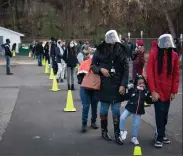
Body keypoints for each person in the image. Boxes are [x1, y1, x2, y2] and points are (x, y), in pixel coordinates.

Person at [91, 30, 129, 145]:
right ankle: (104, 131)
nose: (113, 43)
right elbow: (93, 65)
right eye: (111, 41)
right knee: (103, 109)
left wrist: (123, 84)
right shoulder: (100, 50)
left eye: (114, 41)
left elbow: (126, 69)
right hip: (104, 84)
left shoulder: (121, 49)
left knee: (116, 110)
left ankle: (117, 134)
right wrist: (101, 70)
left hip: (117, 84)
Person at [146, 34, 180, 148]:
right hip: (157, 90)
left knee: (165, 114)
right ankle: (159, 137)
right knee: (159, 113)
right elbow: (149, 73)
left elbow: (176, 75)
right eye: (164, 44)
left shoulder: (174, 56)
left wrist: (174, 91)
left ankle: (162, 133)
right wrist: (153, 91)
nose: (166, 47)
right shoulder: (154, 54)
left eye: (168, 44)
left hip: (168, 90)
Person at [120, 75, 152, 145]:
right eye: (139, 83)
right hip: (130, 107)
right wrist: (123, 94)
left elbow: (148, 100)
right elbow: (127, 96)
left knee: (136, 124)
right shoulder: (133, 89)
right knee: (122, 117)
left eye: (142, 83)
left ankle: (134, 137)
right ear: (136, 83)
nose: (141, 84)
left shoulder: (145, 91)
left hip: (139, 110)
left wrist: (152, 98)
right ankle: (121, 132)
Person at [77, 49, 98, 132]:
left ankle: (91, 122)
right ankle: (85, 123)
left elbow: (79, 78)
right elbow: (79, 76)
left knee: (93, 106)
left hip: (91, 88)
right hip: (87, 88)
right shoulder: (86, 63)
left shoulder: (99, 64)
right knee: (88, 106)